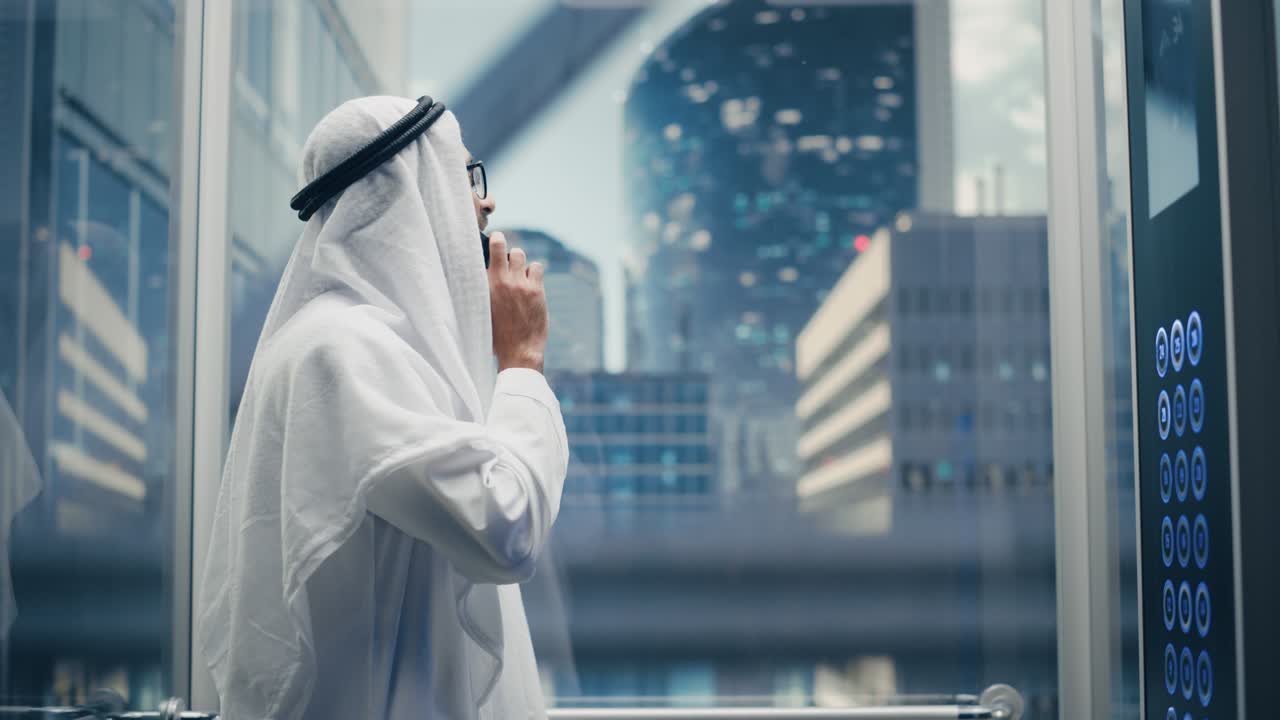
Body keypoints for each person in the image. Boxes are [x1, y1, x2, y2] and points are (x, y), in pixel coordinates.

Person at [198, 96, 569, 720]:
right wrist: (523, 362)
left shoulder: (348, 344)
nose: (486, 204)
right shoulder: (344, 351)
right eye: (464, 174)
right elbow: (507, 528)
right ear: (407, 191)